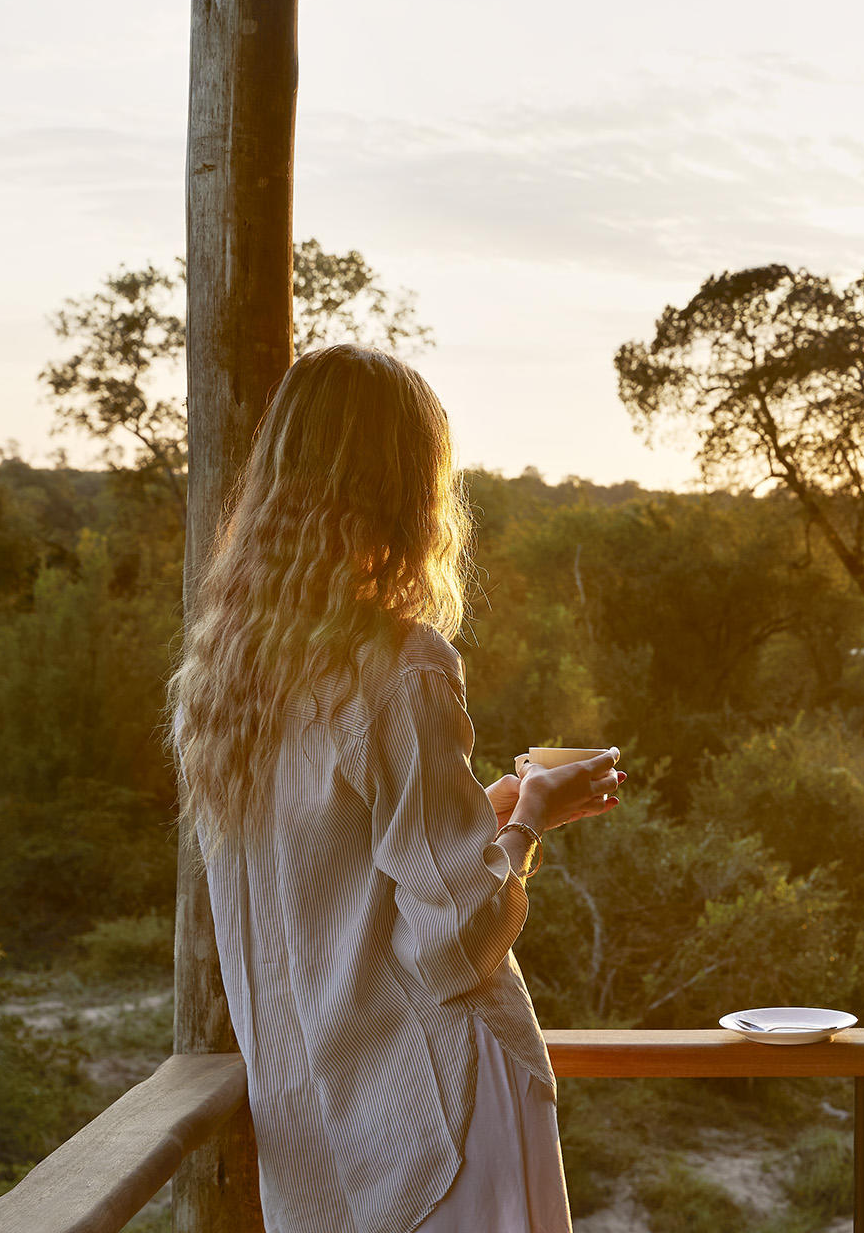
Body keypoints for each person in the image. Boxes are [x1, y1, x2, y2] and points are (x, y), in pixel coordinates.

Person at [170, 344, 622, 1233]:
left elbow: (339, 868)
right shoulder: (403, 668)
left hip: (315, 1130)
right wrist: (528, 818)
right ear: (409, 490)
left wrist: (476, 813)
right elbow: (454, 942)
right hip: (437, 1109)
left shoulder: (222, 680)